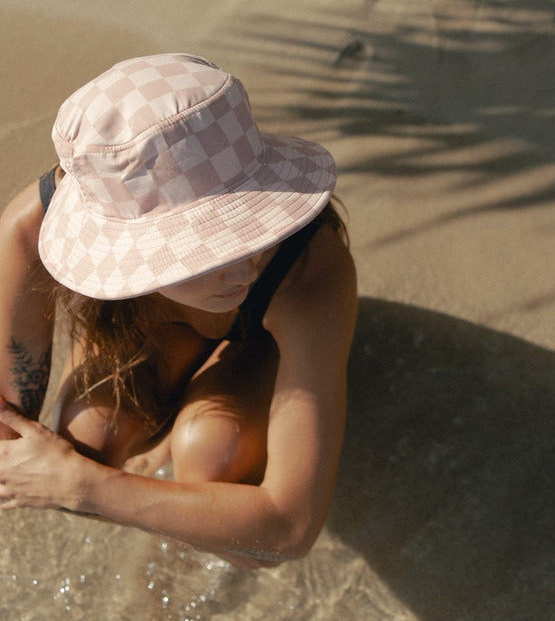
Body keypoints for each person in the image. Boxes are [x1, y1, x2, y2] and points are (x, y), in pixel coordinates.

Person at [0, 53, 356, 568]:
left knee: (214, 460)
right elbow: (12, 434)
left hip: (261, 337)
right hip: (150, 330)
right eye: (209, 249)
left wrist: (86, 488)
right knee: (87, 440)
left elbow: (290, 529)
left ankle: (183, 440)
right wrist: (76, 471)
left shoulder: (308, 271)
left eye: (248, 225)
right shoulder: (28, 230)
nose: (245, 267)